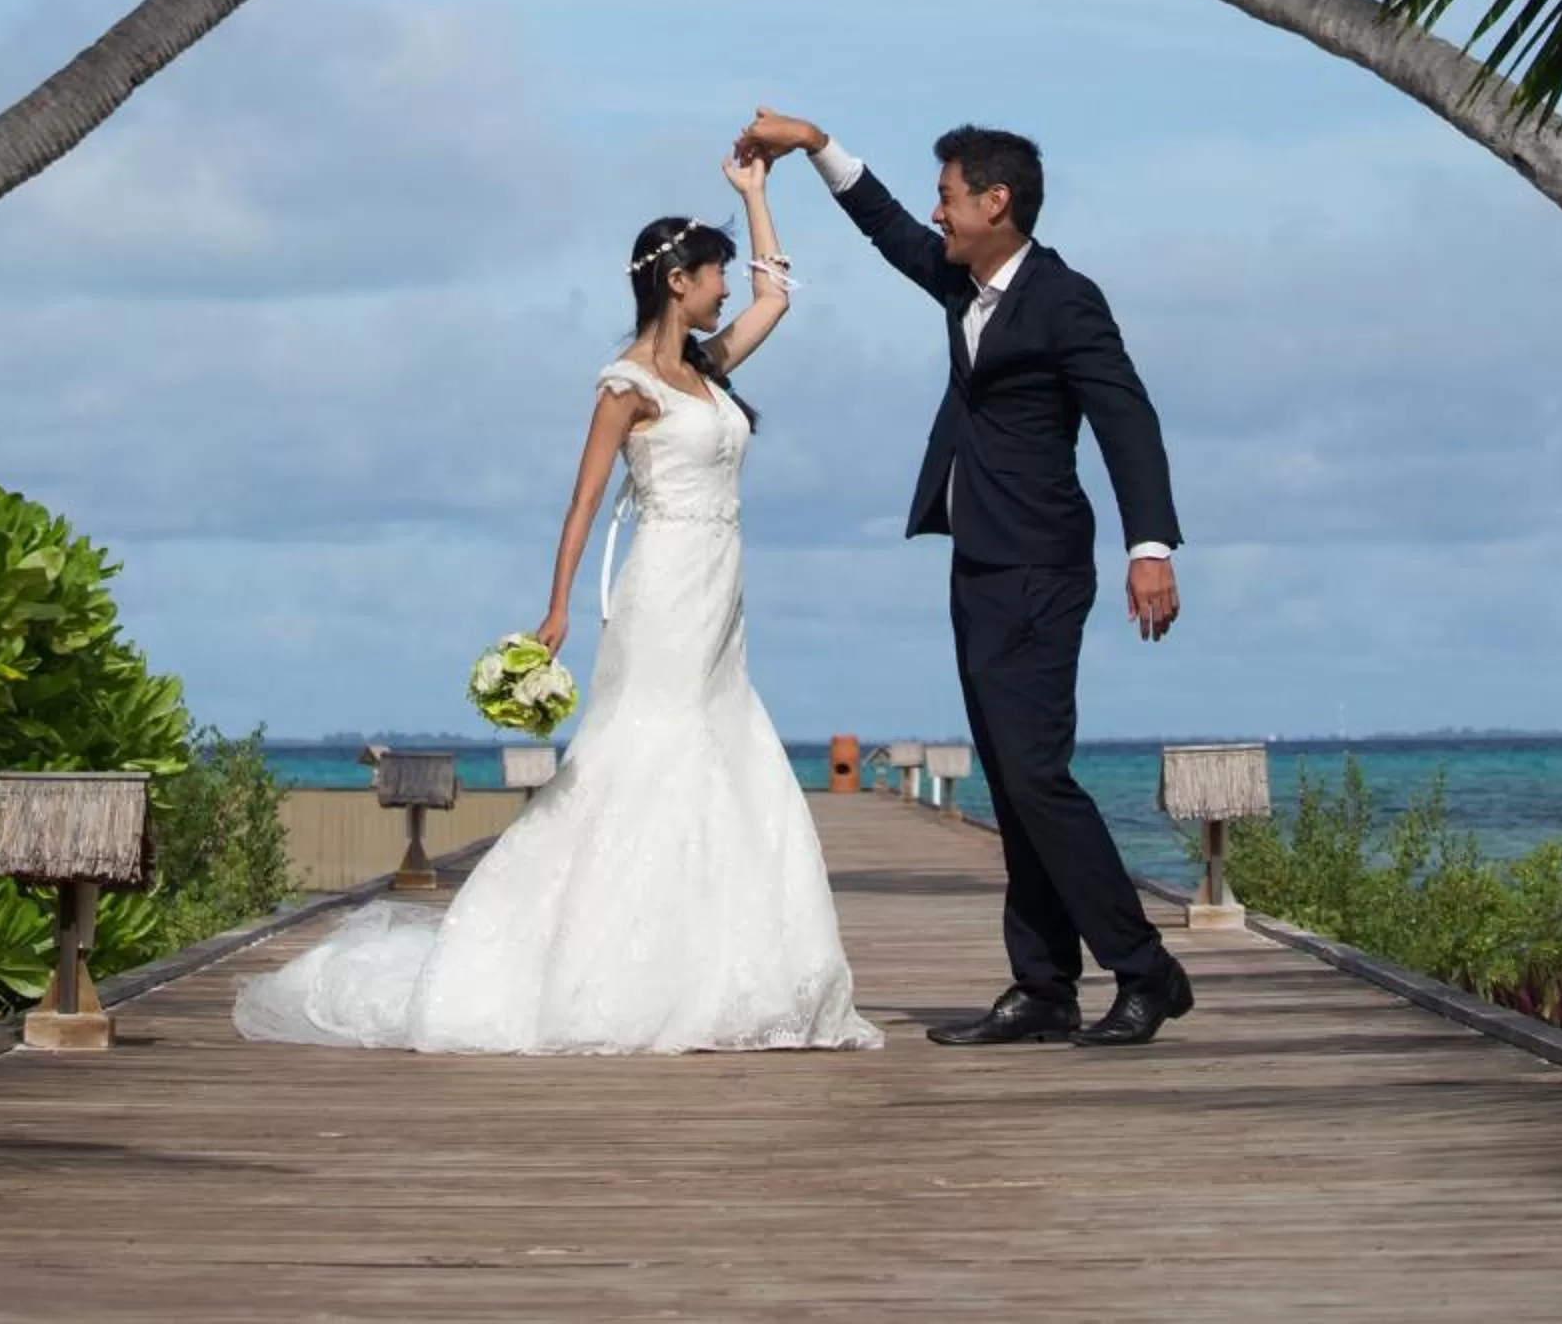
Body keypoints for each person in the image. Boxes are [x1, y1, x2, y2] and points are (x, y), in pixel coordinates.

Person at [234, 150, 880, 1054]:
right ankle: (612, 969)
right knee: (650, 750)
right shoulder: (629, 385)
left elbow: (780, 295)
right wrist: (558, 611)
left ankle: (728, 969)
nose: (729, 291)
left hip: (723, 595)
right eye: (715, 277)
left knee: (725, 751)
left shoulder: (708, 368)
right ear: (676, 282)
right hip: (660, 590)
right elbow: (581, 503)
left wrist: (757, 194)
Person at [734, 108, 1190, 1049]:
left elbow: (1127, 419)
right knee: (1009, 776)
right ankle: (1044, 986)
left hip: (1043, 565)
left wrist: (1151, 548)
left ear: (997, 202)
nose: (937, 213)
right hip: (978, 562)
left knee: (1036, 773)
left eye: (949, 195)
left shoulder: (1066, 299)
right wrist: (819, 148)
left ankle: (1146, 972)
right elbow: (885, 223)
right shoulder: (960, 283)